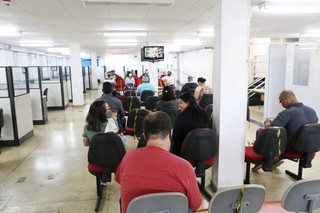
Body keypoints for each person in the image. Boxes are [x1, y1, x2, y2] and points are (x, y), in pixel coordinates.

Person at [115, 111, 202, 213]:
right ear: (170, 133)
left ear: (144, 134)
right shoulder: (185, 166)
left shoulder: (128, 158)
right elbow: (196, 204)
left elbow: (121, 182)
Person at [252, 90, 318, 171]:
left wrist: (268, 121)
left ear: (285, 100)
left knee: (261, 131)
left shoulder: (287, 112)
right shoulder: (312, 110)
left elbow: (269, 128)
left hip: (291, 147)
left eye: (281, 102)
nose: (282, 105)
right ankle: (275, 159)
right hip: (309, 147)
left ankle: (266, 160)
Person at [172, 92, 210, 157]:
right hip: (205, 151)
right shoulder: (204, 114)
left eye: (181, 103)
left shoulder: (181, 117)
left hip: (184, 154)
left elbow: (175, 139)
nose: (179, 106)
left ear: (188, 103)